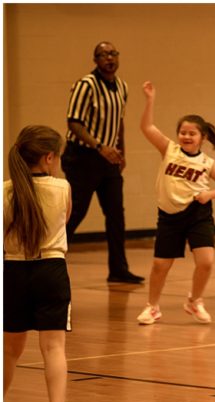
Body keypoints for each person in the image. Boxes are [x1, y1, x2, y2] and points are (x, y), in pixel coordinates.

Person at [136, 82, 215, 326]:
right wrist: (150, 99)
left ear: (202, 138)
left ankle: (195, 301)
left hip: (198, 213)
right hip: (169, 215)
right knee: (160, 265)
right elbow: (147, 127)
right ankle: (152, 307)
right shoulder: (170, 149)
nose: (186, 136)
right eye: (183, 132)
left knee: (206, 261)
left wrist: (209, 195)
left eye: (192, 133)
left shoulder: (207, 162)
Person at [4, 125, 78, 402]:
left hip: (13, 271)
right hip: (51, 269)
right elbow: (66, 219)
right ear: (49, 158)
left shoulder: (6, 190)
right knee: (53, 348)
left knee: (9, 351)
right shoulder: (62, 188)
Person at [62, 41, 143, 285]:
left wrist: (121, 152)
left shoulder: (122, 86)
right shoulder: (86, 85)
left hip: (109, 159)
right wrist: (99, 146)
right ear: (95, 60)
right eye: (103, 55)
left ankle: (118, 269)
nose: (109, 58)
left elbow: (119, 121)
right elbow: (73, 122)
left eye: (113, 53)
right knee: (75, 213)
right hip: (82, 157)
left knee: (116, 214)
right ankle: (45, 259)